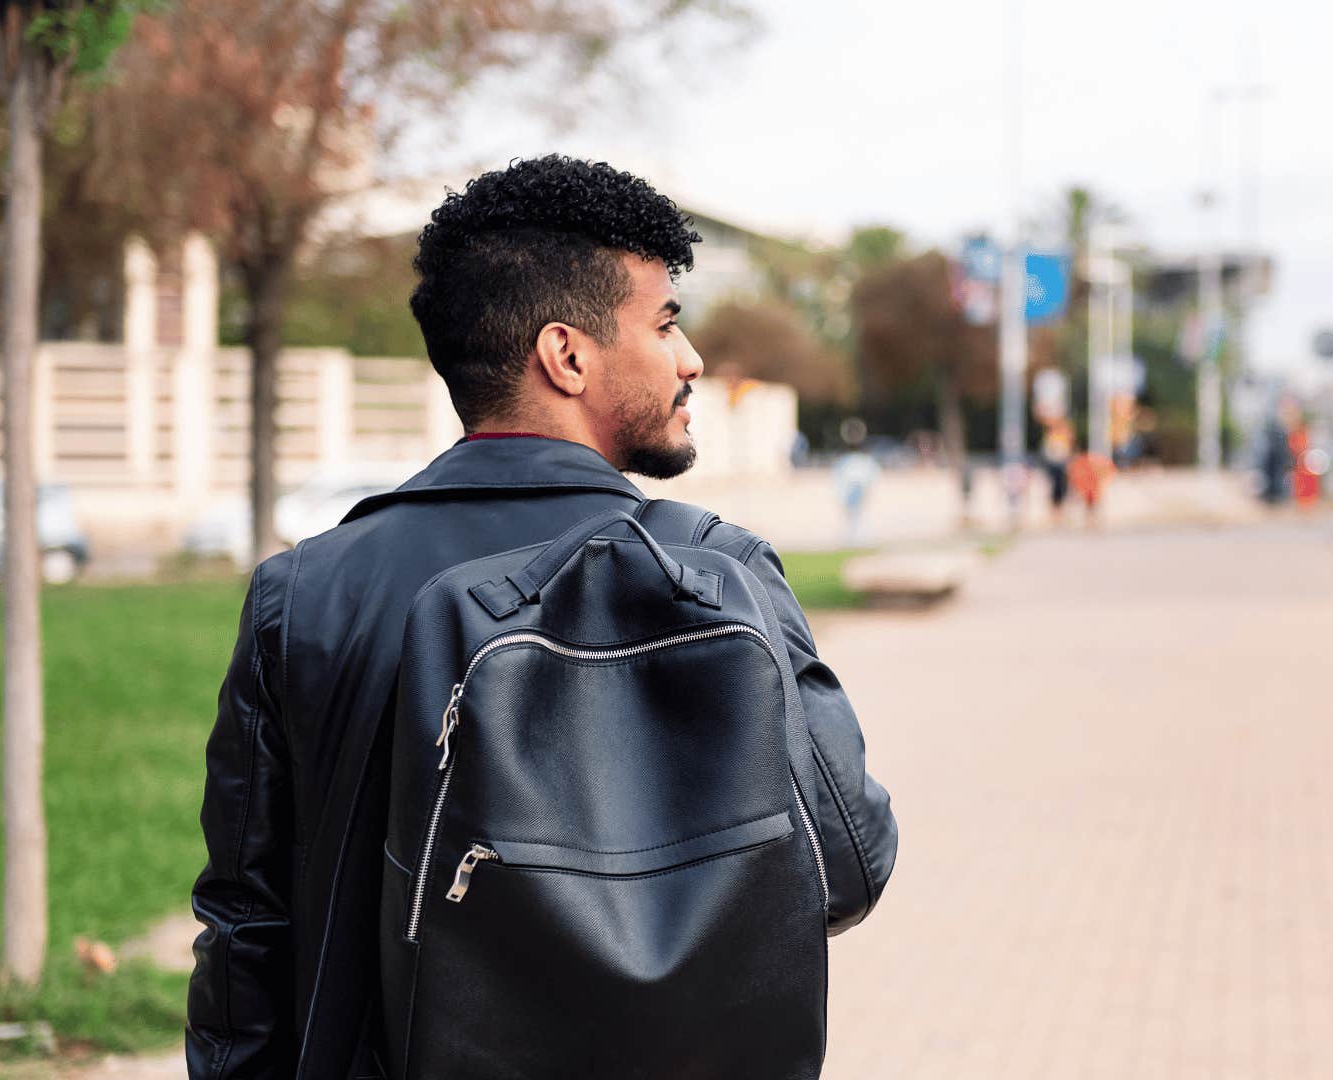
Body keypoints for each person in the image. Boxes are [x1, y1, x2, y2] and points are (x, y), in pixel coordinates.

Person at [186, 156, 897, 1079]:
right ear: (567, 356)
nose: (692, 360)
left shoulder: (306, 593)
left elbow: (247, 933)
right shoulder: (720, 574)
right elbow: (849, 866)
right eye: (666, 323)